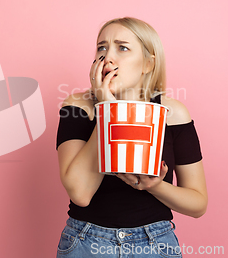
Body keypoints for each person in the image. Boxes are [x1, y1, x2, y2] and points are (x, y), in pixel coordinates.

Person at [55, 17, 207, 257]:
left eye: (122, 47)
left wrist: (155, 187)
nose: (108, 58)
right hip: (87, 242)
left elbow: (198, 204)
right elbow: (80, 193)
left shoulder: (172, 113)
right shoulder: (77, 106)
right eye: (101, 48)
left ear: (148, 63)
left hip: (155, 243)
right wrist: (108, 111)